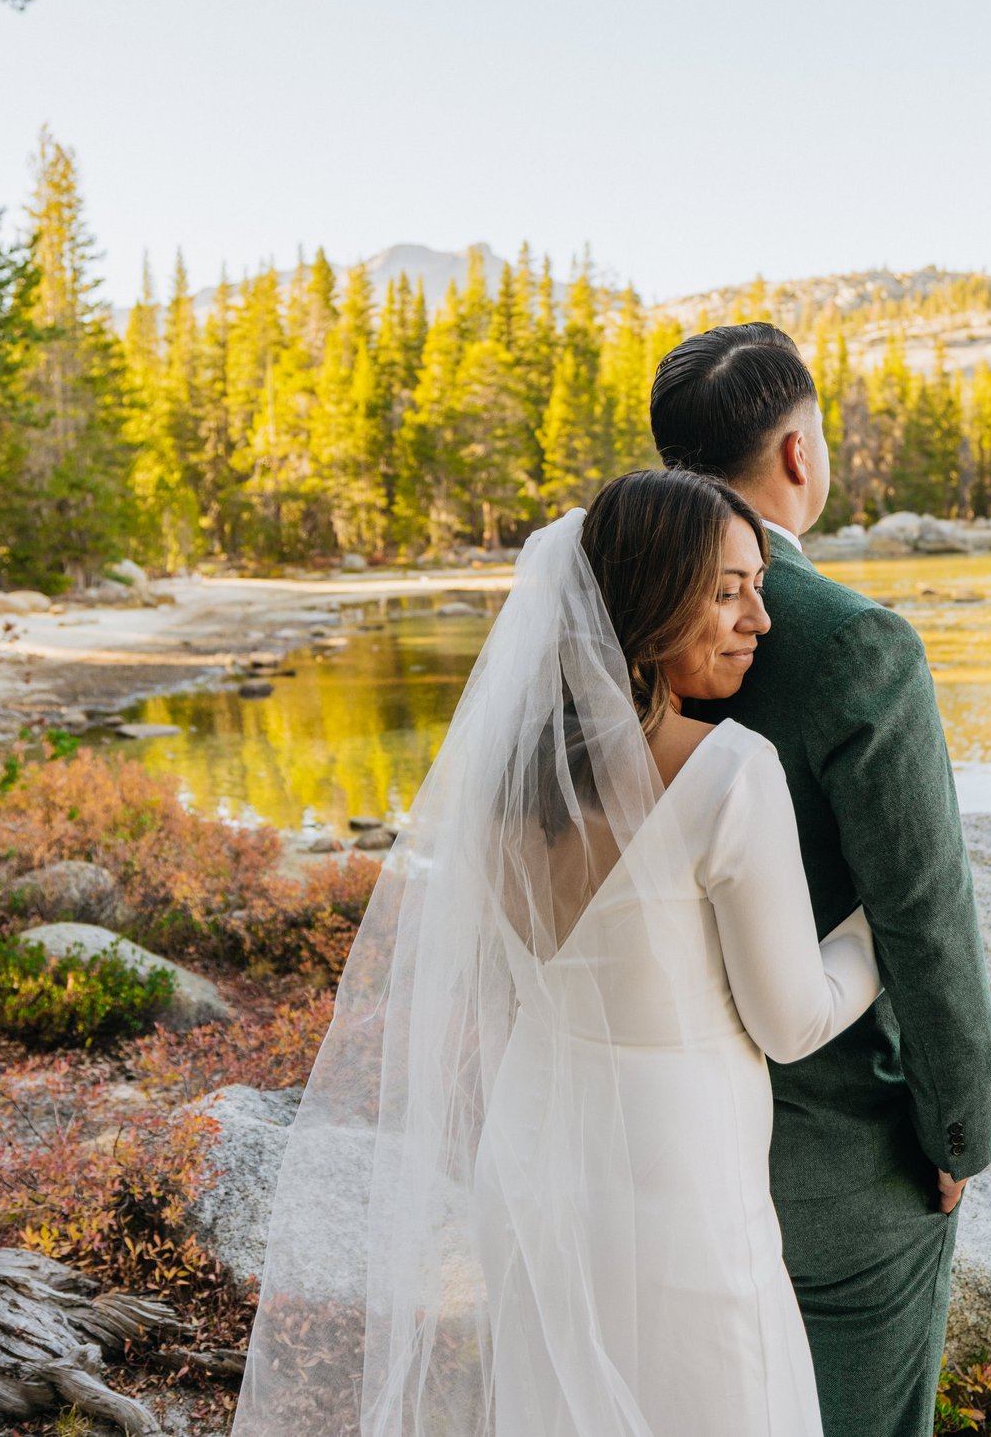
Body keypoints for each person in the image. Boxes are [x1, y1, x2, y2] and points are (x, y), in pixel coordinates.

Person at [234, 469, 884, 1436]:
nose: (762, 618)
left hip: (538, 1156)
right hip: (683, 1172)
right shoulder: (730, 774)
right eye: (728, 589)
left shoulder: (501, 777)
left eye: (758, 584)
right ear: (650, 602)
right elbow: (792, 1022)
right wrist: (877, 931)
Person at [655, 321, 991, 1437]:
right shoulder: (855, 643)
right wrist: (958, 1136)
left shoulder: (594, 619)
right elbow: (922, 914)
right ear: (798, 454)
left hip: (643, 1140)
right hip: (832, 1161)